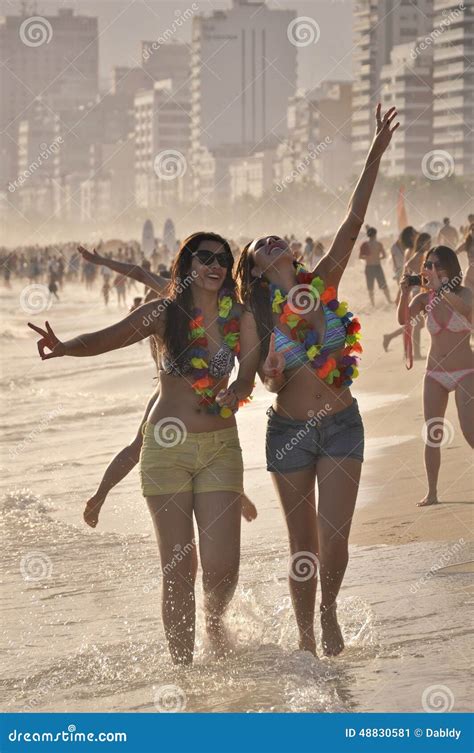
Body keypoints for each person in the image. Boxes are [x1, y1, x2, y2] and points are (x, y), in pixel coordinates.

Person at [219, 104, 399, 657]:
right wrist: (248, 386)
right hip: (290, 433)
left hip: (341, 423)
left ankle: (328, 611)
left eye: (278, 237)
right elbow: (252, 378)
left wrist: (374, 150)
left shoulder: (320, 283)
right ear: (251, 269)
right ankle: (302, 635)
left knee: (336, 541)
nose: (274, 240)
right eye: (261, 244)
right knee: (303, 545)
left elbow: (351, 219)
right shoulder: (256, 318)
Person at [29, 232, 253, 666]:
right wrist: (63, 348)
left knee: (223, 567)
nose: (216, 264)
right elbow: (104, 339)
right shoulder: (164, 313)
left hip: (220, 447)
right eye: (204, 257)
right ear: (187, 265)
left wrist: (241, 388)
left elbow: (252, 368)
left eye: (223, 258)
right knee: (179, 569)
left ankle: (213, 621)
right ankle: (185, 673)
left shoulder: (239, 316)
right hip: (166, 450)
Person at [397, 246, 473, 506]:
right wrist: (405, 290)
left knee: (469, 431)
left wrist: (442, 288)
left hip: (466, 371)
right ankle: (432, 492)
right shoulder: (424, 298)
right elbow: (402, 319)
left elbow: (464, 310)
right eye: (429, 265)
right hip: (435, 373)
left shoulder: (464, 293)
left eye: (438, 265)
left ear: (450, 268)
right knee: (433, 433)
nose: (432, 269)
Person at [383, 231, 431, 357]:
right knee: (416, 323)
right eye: (428, 242)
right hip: (417, 292)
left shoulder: (418, 254)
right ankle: (416, 353)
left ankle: (391, 338)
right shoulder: (421, 255)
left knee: (415, 323)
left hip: (415, 291)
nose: (430, 245)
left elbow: (406, 270)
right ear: (422, 243)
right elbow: (409, 269)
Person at [359, 226, 392, 306]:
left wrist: (367, 257)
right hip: (377, 266)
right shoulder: (379, 244)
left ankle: (372, 304)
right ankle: (389, 301)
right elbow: (384, 256)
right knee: (384, 285)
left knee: (370, 287)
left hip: (369, 267)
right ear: (375, 234)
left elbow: (360, 256)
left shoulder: (365, 244)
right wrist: (377, 257)